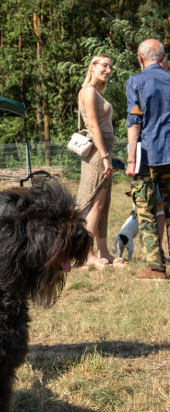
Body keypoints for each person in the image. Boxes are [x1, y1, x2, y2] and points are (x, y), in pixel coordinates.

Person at [126, 39, 170, 280]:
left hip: (147, 157)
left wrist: (131, 159)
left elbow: (134, 122)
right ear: (162, 58)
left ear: (140, 57)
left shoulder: (136, 81)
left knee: (146, 209)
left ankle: (156, 269)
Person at [75, 55, 119, 266]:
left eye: (110, 67)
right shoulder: (88, 91)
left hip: (104, 151)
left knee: (103, 204)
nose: (108, 70)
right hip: (96, 153)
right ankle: (86, 254)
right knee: (94, 202)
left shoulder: (96, 92)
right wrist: (103, 156)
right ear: (92, 67)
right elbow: (93, 126)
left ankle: (103, 251)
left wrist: (109, 155)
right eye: (104, 65)